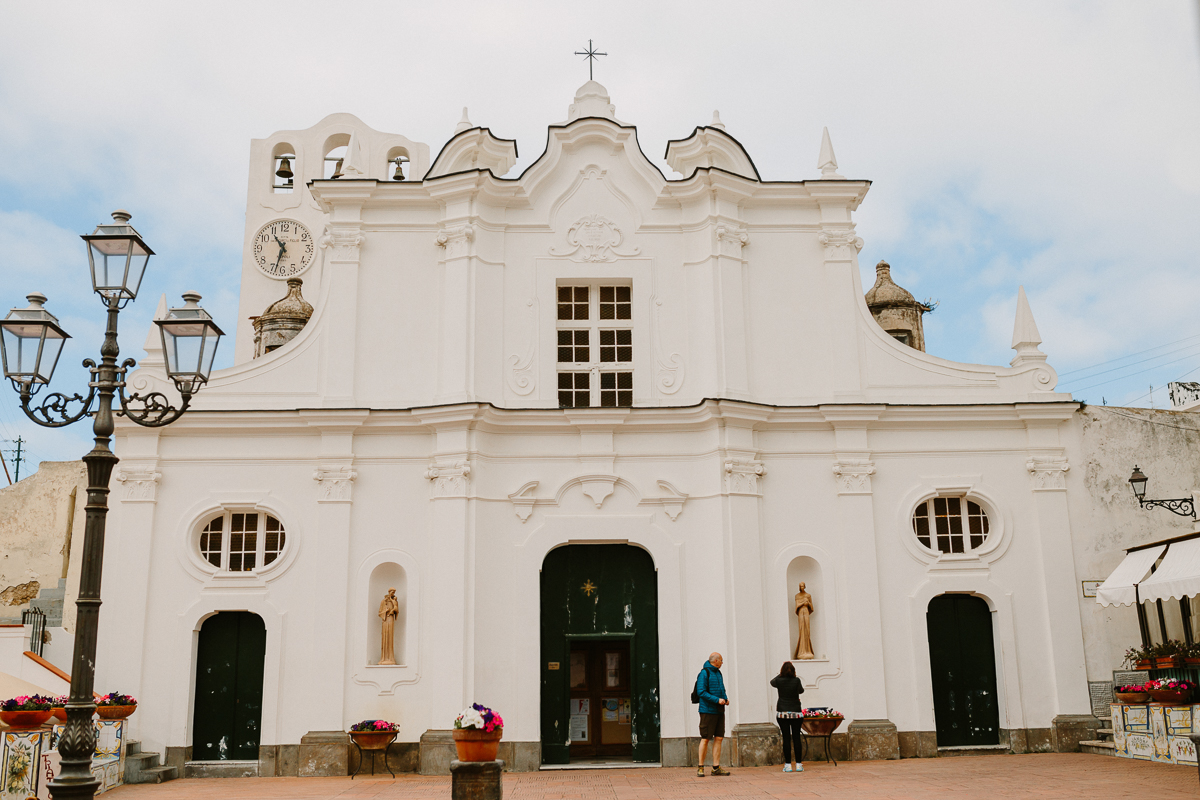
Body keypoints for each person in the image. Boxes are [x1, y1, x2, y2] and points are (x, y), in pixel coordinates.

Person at [696, 652, 731, 777]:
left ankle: (716, 767)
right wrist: (717, 700)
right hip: (707, 711)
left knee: (719, 738)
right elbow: (701, 692)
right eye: (721, 660)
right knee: (705, 738)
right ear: (715, 661)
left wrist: (725, 699)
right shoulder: (704, 673)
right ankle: (700, 767)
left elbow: (722, 688)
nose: (722, 662)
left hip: (719, 710)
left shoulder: (718, 673)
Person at [770, 661, 806, 772]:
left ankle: (788, 765)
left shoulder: (779, 681)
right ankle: (799, 764)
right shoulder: (796, 680)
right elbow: (801, 690)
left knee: (786, 738)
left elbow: (772, 682)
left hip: (782, 712)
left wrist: (780, 674)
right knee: (796, 738)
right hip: (796, 712)